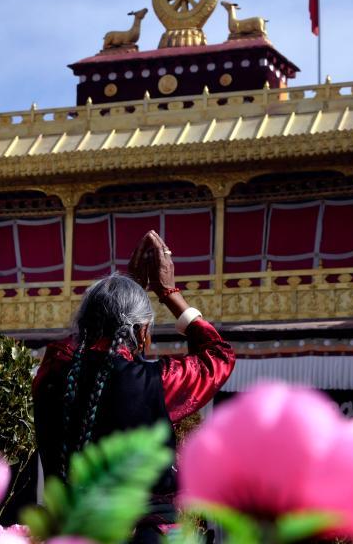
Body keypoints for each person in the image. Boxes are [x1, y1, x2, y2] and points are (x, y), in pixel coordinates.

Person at [32, 231, 235, 542]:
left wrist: (128, 289)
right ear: (142, 333)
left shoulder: (53, 373)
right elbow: (218, 355)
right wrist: (169, 292)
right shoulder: (153, 381)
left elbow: (79, 350)